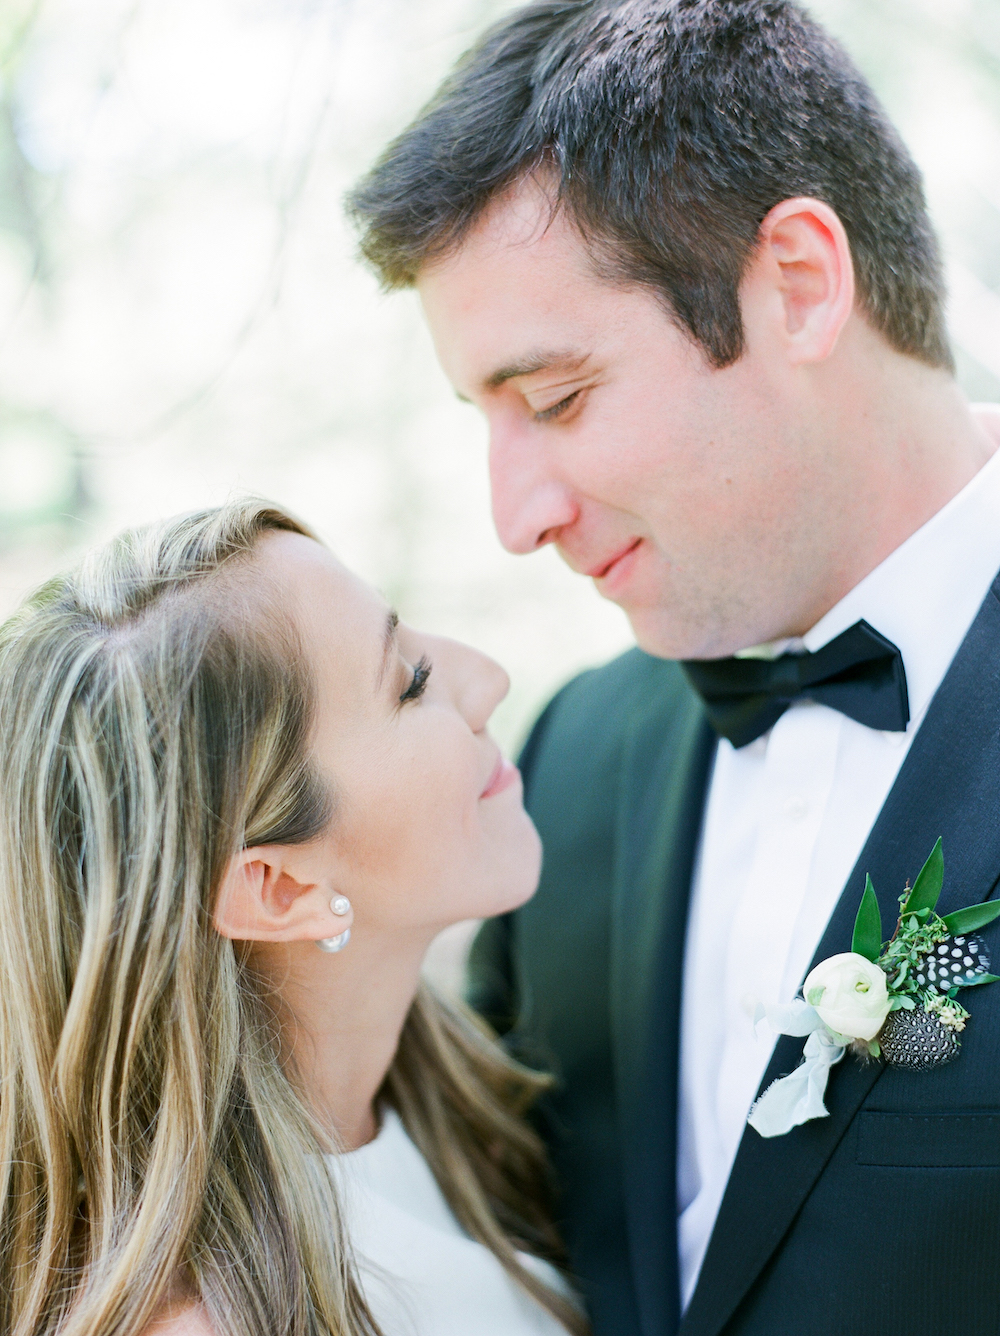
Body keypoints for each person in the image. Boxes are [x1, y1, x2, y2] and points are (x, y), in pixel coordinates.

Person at [347, 1, 1000, 1333]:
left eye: (558, 398)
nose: (513, 514)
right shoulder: (556, 770)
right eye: (485, 420)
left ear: (799, 285)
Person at [0, 500, 586, 1336]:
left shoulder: (460, 1111)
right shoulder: (207, 1322)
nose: (486, 677)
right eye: (410, 683)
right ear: (278, 888)